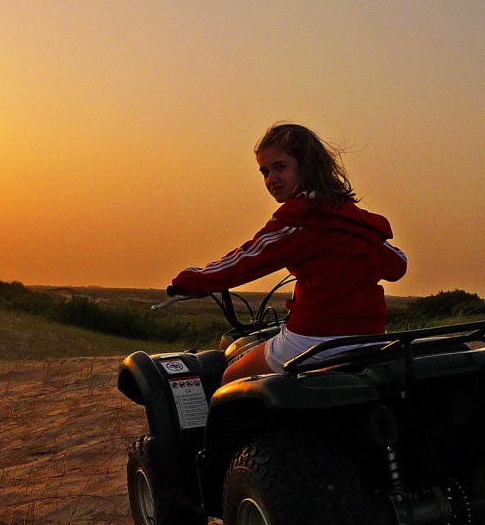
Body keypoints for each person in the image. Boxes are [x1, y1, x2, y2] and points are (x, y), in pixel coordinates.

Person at [168, 122, 407, 381]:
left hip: (314, 338)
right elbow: (397, 265)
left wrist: (192, 280)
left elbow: (248, 259)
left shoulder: (300, 217)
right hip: (371, 339)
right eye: (264, 171)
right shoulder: (356, 220)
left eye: (280, 167)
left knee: (230, 379)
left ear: (306, 165)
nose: (271, 179)